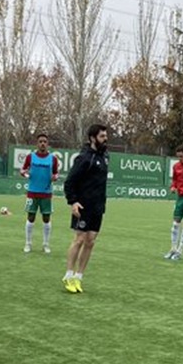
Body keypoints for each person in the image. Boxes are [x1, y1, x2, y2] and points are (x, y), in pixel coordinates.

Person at [62, 123, 109, 294]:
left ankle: (79, 277)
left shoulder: (105, 157)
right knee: (79, 239)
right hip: (83, 206)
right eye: (102, 136)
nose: (106, 139)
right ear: (92, 138)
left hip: (98, 207)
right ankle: (68, 275)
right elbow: (69, 182)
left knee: (90, 242)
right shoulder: (84, 158)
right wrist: (73, 202)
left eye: (106, 135)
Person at [20, 132, 59, 254]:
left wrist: (55, 177)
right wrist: (24, 173)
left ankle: (46, 244)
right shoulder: (30, 157)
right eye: (40, 141)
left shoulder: (53, 159)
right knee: (31, 217)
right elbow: (23, 169)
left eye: (45, 142)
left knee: (46, 218)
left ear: (48, 144)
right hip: (32, 192)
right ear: (37, 144)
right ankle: (28, 243)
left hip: (46, 193)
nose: (42, 144)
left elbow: (56, 173)